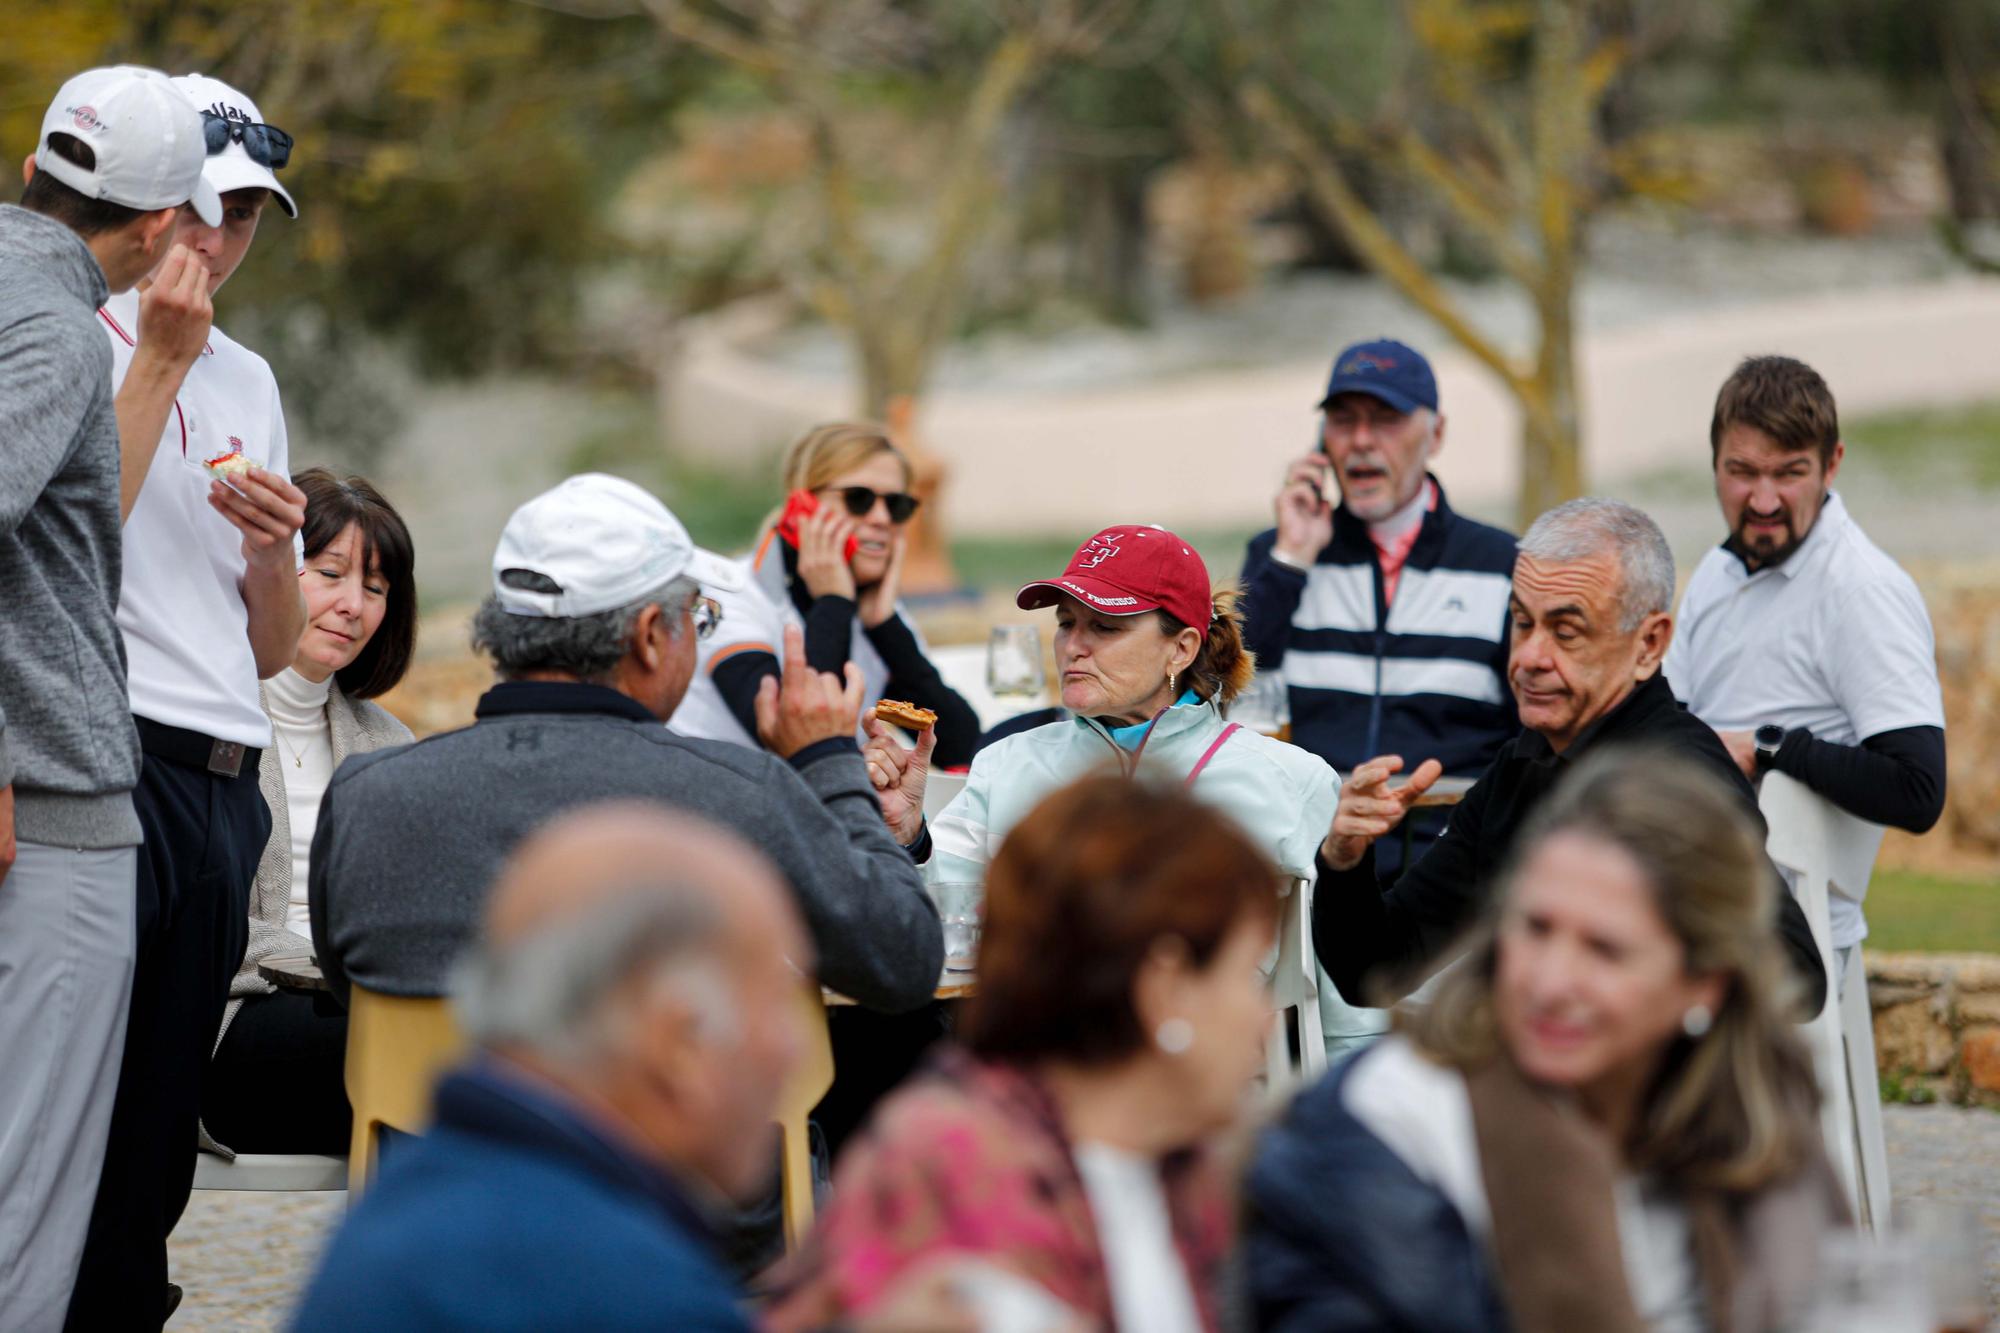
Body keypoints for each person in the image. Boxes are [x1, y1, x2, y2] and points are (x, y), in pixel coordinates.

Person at [292, 802, 975, 1333]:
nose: (796, 1049)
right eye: (776, 1003)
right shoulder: (619, 1282)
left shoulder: (419, 1201)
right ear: (678, 1040)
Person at [1246, 748, 1845, 1332]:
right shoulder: (1397, 1122)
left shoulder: (1755, 1115)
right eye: (1535, 928)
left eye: (1605, 951)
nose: (1551, 982)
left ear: (1704, 985)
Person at [310, 472, 942, 1012]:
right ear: (647, 636)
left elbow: (347, 987)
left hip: (434, 1149)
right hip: (658, 1157)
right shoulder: (734, 796)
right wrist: (829, 762)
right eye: (697, 616)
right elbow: (903, 960)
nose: (697, 638)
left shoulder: (368, 794)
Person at [66, 72, 313, 1328]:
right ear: (153, 203)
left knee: (163, 1125)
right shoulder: (76, 336)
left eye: (249, 215)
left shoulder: (251, 376)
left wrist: (278, 553)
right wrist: (159, 360)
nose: (221, 241)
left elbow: (269, 648)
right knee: (70, 1112)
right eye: (206, 209)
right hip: (104, 765)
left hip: (223, 781)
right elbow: (61, 541)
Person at [766, 776, 1277, 1332]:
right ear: (1164, 991)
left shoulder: (1188, 1172)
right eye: (1245, 976)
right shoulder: (952, 1172)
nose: (1266, 1015)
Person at [0, 64, 218, 1333]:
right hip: (55, 813)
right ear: (152, 229)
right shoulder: (52, 331)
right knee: (28, 1197)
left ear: (38, 168)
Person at [1313, 498, 1828, 1018]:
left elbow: (1794, 978)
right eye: (1521, 622)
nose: (1530, 658)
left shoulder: (1682, 779)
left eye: (1566, 631)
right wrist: (1345, 858)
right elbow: (1376, 971)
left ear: (1649, 644)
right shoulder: (1522, 767)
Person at [1665, 355, 1946, 979]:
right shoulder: (1717, 572)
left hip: (1787, 937)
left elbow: (1919, 790)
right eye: (1741, 472)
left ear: (1832, 465)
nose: (1762, 500)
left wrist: (1767, 747)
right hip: (1687, 899)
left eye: (1789, 474)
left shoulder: (1861, 589)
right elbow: (1671, 721)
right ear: (1714, 464)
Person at [868, 525, 1339, 886]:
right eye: (1066, 622)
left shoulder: (1294, 781)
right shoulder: (1006, 763)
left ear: (1181, 648)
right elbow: (944, 923)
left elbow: (1339, 981)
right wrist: (910, 835)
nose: (1073, 645)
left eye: (1105, 627)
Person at [1239, 338, 1517, 879]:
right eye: (1343, 421)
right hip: (1304, 862)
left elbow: (1531, 732)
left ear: (1435, 434)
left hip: (1450, 871)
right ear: (1322, 441)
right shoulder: (1280, 557)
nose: (1362, 441)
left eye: (1385, 419)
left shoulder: (1501, 563)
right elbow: (1222, 688)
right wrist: (1291, 559)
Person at [199, 470, 418, 1160]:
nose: (353, 605)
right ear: (271, 569)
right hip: (228, 1020)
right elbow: (194, 918)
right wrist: (321, 967)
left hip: (365, 1018)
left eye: (376, 587)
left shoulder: (390, 744)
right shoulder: (199, 723)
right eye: (330, 573)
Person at [673, 422, 979, 766]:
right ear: (801, 506)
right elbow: (800, 742)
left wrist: (886, 628)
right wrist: (833, 601)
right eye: (858, 499)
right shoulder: (729, 597)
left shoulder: (874, 612)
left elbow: (963, 745)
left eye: (896, 505)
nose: (881, 518)